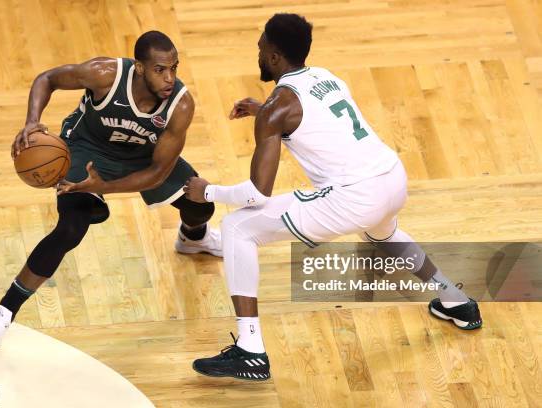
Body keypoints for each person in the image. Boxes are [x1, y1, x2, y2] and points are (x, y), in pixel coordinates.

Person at [184, 13, 482, 381]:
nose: (257, 53)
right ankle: (458, 302)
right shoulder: (326, 76)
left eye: (260, 48)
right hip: (391, 177)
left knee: (237, 227)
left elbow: (257, 194)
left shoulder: (278, 108)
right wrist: (263, 112)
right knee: (383, 235)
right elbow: (321, 119)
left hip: (354, 197)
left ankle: (250, 350)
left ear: (275, 56)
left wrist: (207, 191)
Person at [0, 31, 221, 352]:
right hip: (85, 150)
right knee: (70, 230)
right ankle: (1, 316)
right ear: (139, 68)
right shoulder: (105, 74)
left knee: (200, 206)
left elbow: (157, 173)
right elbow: (48, 78)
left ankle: (193, 239)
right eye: (160, 69)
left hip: (140, 156)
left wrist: (106, 187)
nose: (169, 77)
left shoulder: (180, 105)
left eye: (174, 68)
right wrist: (32, 121)